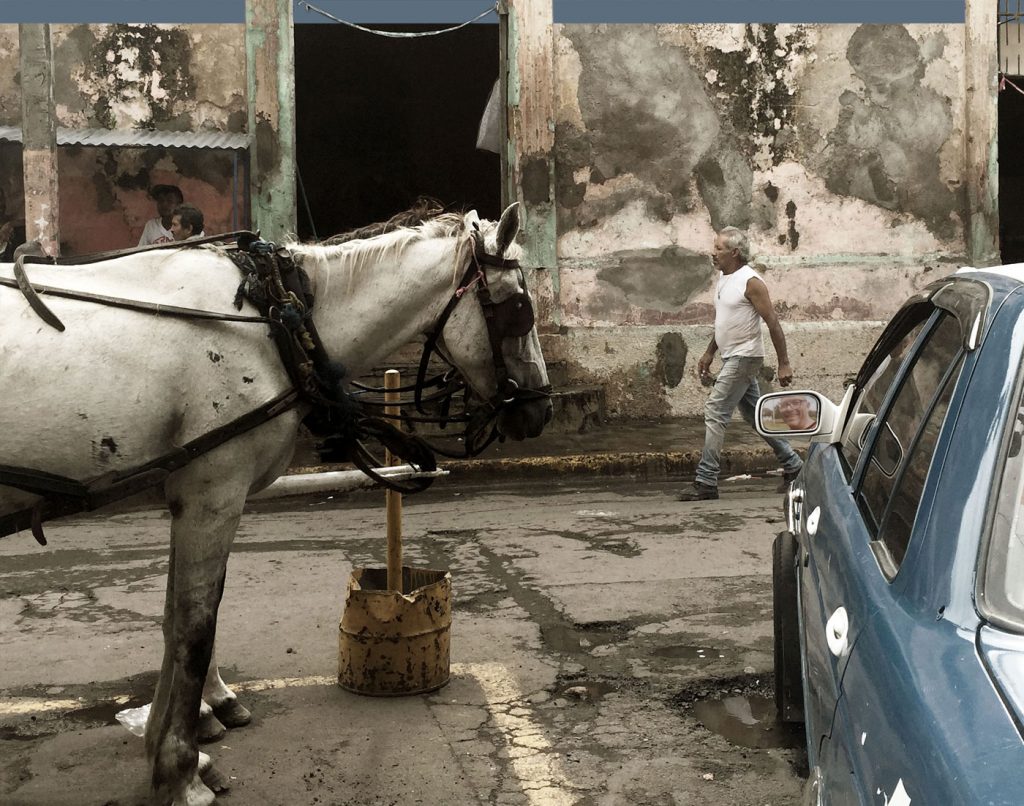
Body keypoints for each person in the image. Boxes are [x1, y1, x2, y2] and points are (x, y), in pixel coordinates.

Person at [678, 226, 803, 501]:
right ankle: (794, 465)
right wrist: (710, 352)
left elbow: (772, 322)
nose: (714, 253)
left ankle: (706, 481)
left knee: (715, 411)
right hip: (731, 355)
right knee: (754, 415)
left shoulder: (751, 282)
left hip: (745, 357)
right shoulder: (725, 277)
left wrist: (784, 363)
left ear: (734, 252)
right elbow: (724, 323)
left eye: (719, 248)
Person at [0, 186, 27, 262]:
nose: (1, 204)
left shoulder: (10, 223)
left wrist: (11, 224)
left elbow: (29, 222)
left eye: (2, 199)